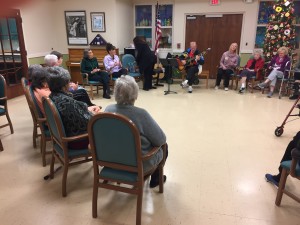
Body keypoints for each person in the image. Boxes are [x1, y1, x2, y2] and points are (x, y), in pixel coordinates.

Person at [105, 75, 168, 188]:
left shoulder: (108, 110)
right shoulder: (141, 114)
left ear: (115, 93)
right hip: (137, 163)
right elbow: (161, 140)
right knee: (164, 146)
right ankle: (156, 179)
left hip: (112, 159)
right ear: (135, 94)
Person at [47, 66, 100, 149]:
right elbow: (88, 122)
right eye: (69, 81)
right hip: (77, 140)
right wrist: (94, 114)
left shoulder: (52, 96)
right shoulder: (66, 102)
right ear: (64, 84)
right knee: (107, 126)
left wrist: (86, 108)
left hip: (66, 134)